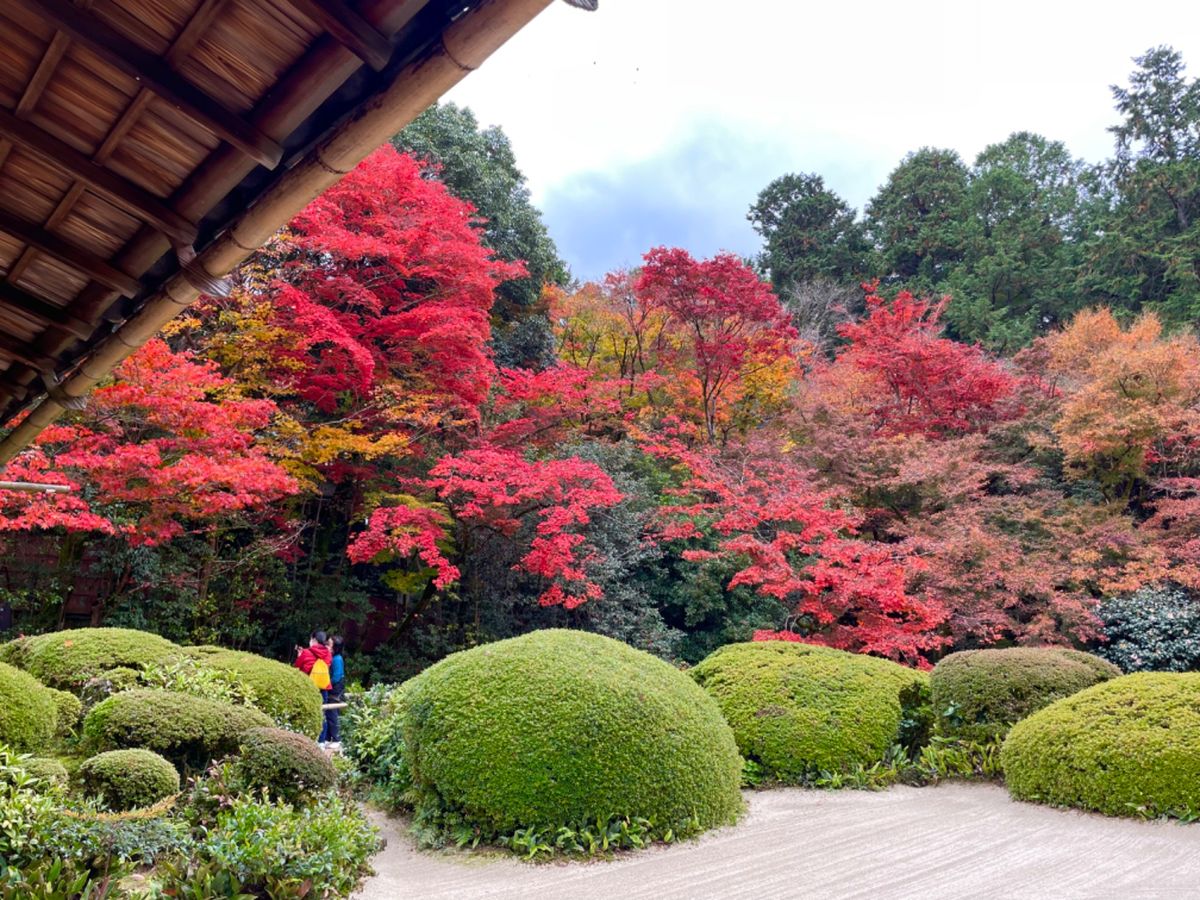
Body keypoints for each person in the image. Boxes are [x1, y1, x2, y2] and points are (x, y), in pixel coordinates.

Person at [322, 636, 346, 751]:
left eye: (330, 643)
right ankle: (328, 738)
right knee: (328, 713)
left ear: (335, 647)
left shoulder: (337, 659)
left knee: (333, 713)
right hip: (332, 687)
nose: (327, 645)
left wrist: (327, 684)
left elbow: (337, 677)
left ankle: (337, 739)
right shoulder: (333, 657)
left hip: (335, 689)